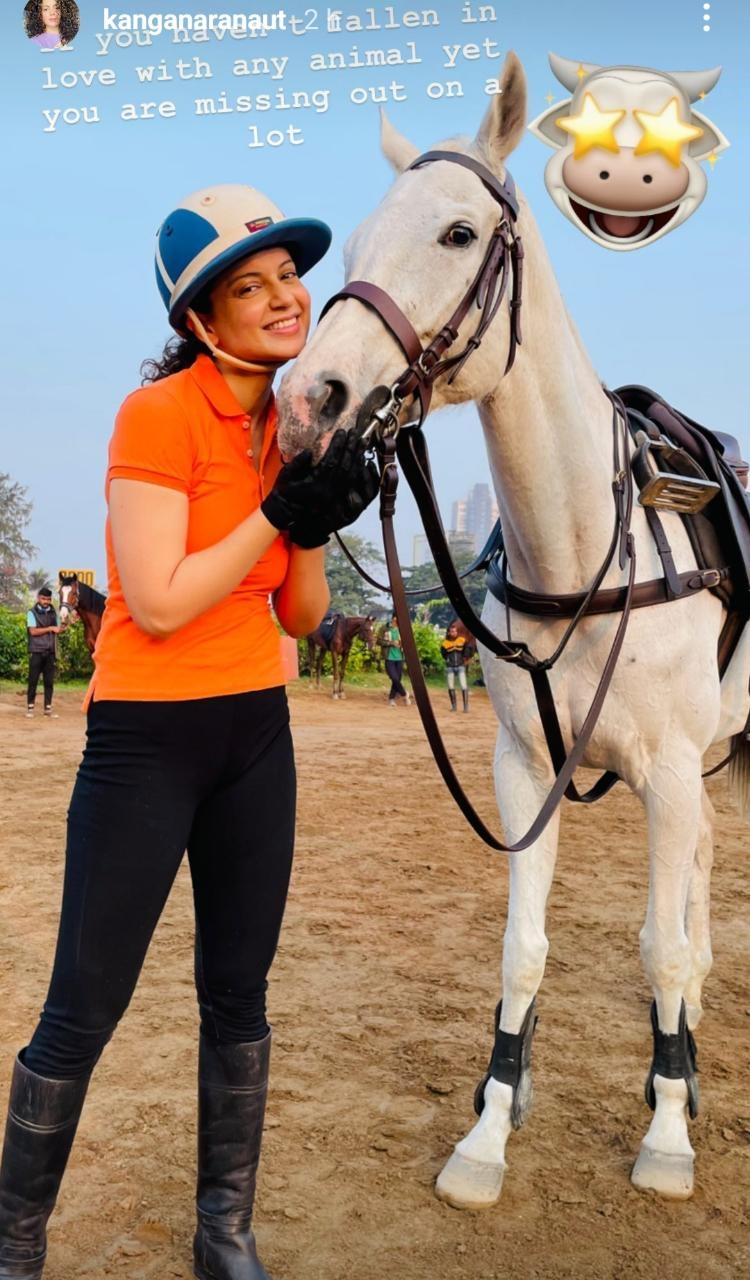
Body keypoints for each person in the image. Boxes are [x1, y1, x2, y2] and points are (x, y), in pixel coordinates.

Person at [0, 183, 379, 1280]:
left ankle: (224, 1231)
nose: (280, 297)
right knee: (84, 1003)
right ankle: (15, 1244)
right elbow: (159, 599)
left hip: (257, 733)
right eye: (246, 287)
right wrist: (275, 511)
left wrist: (313, 503)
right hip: (148, 740)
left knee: (240, 992)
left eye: (287, 277)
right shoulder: (155, 418)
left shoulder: (295, 422)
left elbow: (303, 617)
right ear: (200, 323)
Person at [25, 586, 63, 717]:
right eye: (43, 598)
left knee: (49, 682)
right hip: (36, 651)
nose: (46, 601)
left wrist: (67, 624)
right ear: (38, 598)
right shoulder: (31, 612)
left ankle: (48, 709)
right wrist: (50, 628)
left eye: (48, 599)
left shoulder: (54, 613)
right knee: (33, 681)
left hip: (50, 652)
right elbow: (33, 631)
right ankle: (30, 708)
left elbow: (58, 629)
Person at [441, 620, 473, 713]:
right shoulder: (445, 643)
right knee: (451, 687)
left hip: (460, 666)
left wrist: (465, 657)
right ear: (449, 632)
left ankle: (465, 707)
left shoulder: (462, 641)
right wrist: (448, 660)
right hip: (450, 667)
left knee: (464, 686)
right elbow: (443, 654)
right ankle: (454, 706)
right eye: (452, 631)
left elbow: (468, 648)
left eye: (455, 631)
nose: (453, 633)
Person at [384, 613, 410, 706]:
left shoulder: (402, 630)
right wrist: (390, 643)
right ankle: (404, 694)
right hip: (389, 658)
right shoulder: (385, 629)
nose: (395, 622)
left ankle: (391, 699)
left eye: (396, 621)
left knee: (397, 679)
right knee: (394, 678)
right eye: (394, 620)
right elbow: (379, 641)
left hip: (400, 658)